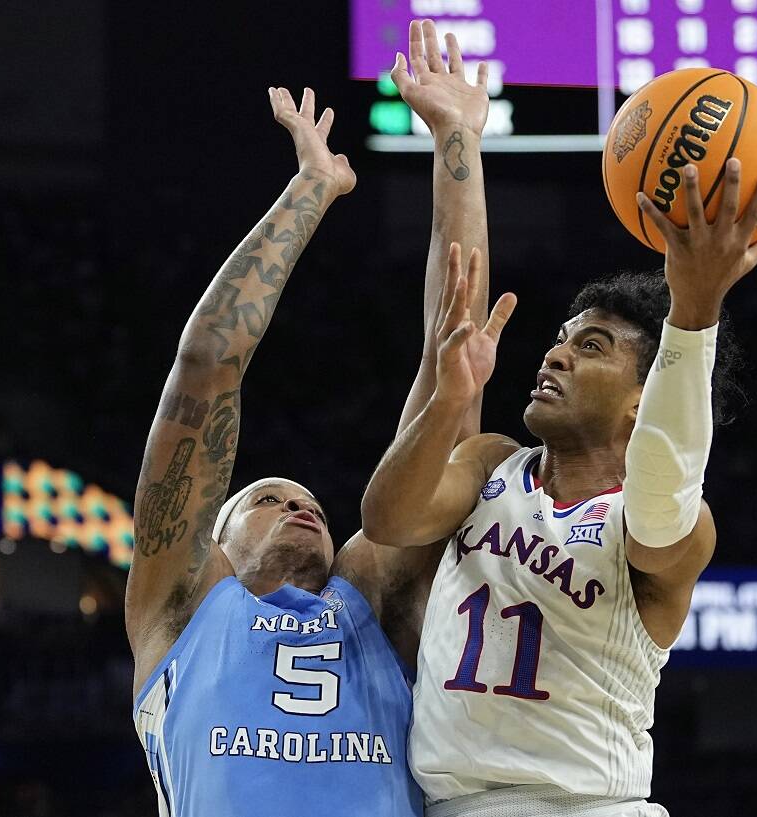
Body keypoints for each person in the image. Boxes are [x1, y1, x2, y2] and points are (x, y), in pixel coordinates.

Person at [126, 23, 497, 815]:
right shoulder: (183, 605)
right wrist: (310, 189)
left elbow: (451, 371)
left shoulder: (370, 596)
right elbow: (206, 372)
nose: (300, 504)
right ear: (212, 545)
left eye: (311, 504)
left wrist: (456, 141)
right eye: (267, 497)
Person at [361, 160, 757, 816]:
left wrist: (693, 314)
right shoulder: (490, 464)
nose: (553, 356)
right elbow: (388, 517)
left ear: (642, 400)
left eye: (590, 347)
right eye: (560, 340)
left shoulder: (669, 525)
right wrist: (448, 400)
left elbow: (666, 470)